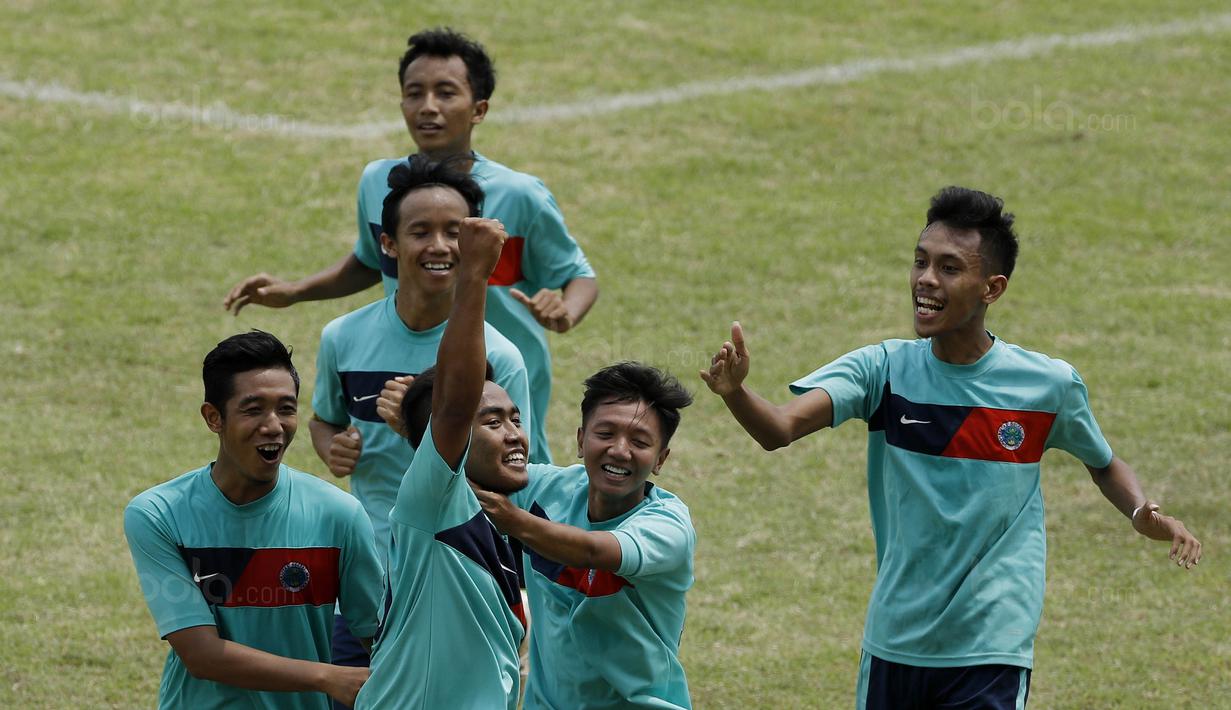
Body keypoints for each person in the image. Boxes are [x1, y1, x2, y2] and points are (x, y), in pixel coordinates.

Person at [699, 186, 1202, 709]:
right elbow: (779, 430)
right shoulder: (884, 370)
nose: (926, 280)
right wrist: (735, 393)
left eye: (948, 267)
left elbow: (1102, 463)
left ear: (992, 287)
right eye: (920, 262)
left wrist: (1141, 509)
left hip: (992, 637)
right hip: (897, 633)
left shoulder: (1046, 385)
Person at [224, 27, 597, 465]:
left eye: (446, 93)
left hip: (497, 388)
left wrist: (565, 312)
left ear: (479, 109)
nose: (428, 107)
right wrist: (297, 291)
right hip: (410, 380)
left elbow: (579, 277)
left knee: (503, 487)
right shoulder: (377, 183)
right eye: (414, 93)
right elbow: (373, 260)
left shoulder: (520, 196)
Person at [309, 157, 531, 676]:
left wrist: (418, 429)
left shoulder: (499, 359)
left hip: (458, 583)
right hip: (364, 583)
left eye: (455, 232)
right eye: (420, 231)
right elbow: (324, 421)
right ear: (388, 243)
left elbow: (515, 482)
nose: (439, 246)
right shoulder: (342, 338)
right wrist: (330, 447)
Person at [123, 331, 383, 709]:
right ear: (214, 417)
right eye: (253, 408)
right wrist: (328, 676)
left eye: (286, 408)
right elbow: (202, 655)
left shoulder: (338, 514)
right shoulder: (159, 514)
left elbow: (377, 637)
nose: (274, 425)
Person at [354, 214, 527, 708]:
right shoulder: (433, 502)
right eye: (492, 422)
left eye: (514, 418)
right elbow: (454, 402)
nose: (515, 434)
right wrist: (473, 273)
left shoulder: (505, 518)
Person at [470, 362, 697, 709]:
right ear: (581, 440)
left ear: (660, 459)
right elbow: (477, 464)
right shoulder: (546, 490)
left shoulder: (667, 527)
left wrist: (513, 520)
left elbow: (594, 551)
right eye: (605, 434)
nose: (620, 450)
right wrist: (421, 427)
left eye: (639, 441)